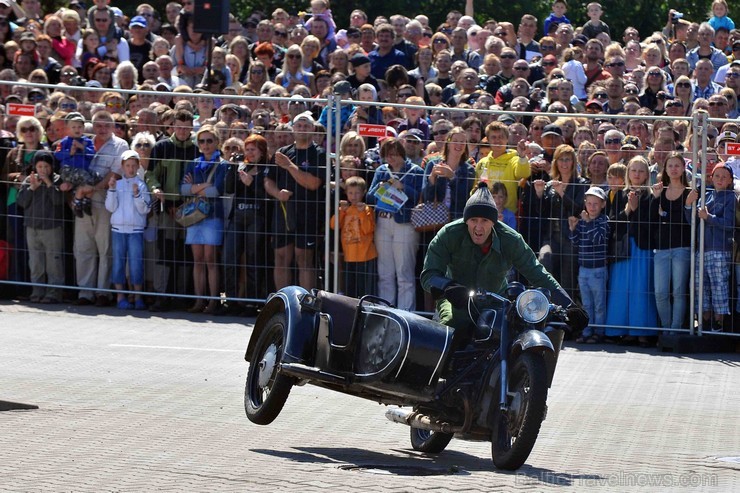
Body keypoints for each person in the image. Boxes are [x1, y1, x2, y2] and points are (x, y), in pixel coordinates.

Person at [421, 181, 588, 340]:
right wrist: (447, 286)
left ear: (494, 222)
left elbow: (537, 273)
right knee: (450, 329)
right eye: (473, 220)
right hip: (455, 302)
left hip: (494, 302)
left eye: (485, 221)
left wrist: (569, 306)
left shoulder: (511, 239)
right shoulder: (448, 234)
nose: (478, 227)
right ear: (466, 221)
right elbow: (428, 275)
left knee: (510, 334)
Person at [366, 137, 423, 311]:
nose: (390, 159)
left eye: (394, 155)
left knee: (404, 272)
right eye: (387, 155)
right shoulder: (381, 171)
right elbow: (369, 197)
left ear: (401, 154)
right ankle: (385, 310)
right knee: (385, 272)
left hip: (404, 224)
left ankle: (406, 313)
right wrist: (381, 188)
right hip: (382, 222)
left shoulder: (415, 171)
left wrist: (402, 187)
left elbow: (419, 198)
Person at [180, 125, 229, 315]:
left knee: (210, 259)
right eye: (202, 141)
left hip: (213, 216)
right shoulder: (193, 163)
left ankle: (214, 301)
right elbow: (183, 190)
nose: (206, 144)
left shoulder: (223, 164)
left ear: (217, 142)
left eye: (209, 140)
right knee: (197, 260)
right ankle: (200, 300)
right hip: (194, 216)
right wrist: (203, 186)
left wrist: (194, 187)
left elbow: (216, 190)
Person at [685, 163, 736, 332]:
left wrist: (709, 217)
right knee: (701, 286)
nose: (720, 179)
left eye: (724, 177)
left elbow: (729, 224)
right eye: (717, 176)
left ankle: (719, 322)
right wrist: (688, 205)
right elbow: (691, 220)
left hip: (719, 249)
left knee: (719, 286)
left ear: (730, 180)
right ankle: (704, 321)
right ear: (711, 178)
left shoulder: (730, 198)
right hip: (702, 248)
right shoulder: (705, 196)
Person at [222, 134, 268, 316]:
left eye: (253, 150)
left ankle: (252, 301)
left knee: (253, 258)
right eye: (247, 149)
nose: (249, 153)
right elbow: (229, 188)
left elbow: (267, 195)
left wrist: (253, 183)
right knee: (229, 256)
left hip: (257, 217)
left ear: (262, 151)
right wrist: (232, 168)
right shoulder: (242, 166)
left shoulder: (267, 168)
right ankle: (231, 301)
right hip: (238, 215)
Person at [649, 152, 692, 332]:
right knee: (660, 293)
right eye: (670, 166)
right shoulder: (661, 191)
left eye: (677, 165)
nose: (674, 169)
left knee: (679, 292)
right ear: (665, 169)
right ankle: (667, 329)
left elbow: (690, 222)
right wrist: (656, 197)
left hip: (682, 247)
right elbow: (651, 220)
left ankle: (675, 330)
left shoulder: (690, 192)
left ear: (683, 168)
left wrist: (688, 205)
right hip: (662, 248)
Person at [15, 151, 65, 304]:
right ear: (35, 167)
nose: (43, 170)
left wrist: (49, 184)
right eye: (40, 166)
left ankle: (54, 292)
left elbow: (58, 201)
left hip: (51, 228)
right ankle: (37, 290)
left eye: (46, 166)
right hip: (32, 227)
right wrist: (32, 188)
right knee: (36, 262)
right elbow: (21, 202)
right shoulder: (30, 181)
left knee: (53, 262)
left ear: (51, 167)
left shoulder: (57, 180)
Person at [105, 149, 150, 310]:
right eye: (127, 165)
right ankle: (120, 296)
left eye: (133, 165)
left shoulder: (142, 185)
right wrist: (111, 190)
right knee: (118, 262)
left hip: (135, 230)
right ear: (122, 167)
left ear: (138, 166)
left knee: (136, 263)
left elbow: (144, 209)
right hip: (118, 229)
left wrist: (137, 195)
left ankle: (138, 296)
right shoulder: (117, 185)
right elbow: (110, 207)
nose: (130, 169)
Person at [568, 186, 609, 343]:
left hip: (598, 269)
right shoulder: (584, 221)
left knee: (599, 304)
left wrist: (588, 222)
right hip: (583, 269)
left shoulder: (602, 221)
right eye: (589, 203)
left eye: (595, 204)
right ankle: (587, 331)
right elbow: (576, 242)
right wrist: (573, 230)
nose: (592, 207)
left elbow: (598, 239)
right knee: (586, 304)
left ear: (602, 205)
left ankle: (599, 332)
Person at [330, 176, 377, 299]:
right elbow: (333, 225)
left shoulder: (367, 210)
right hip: (349, 256)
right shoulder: (346, 210)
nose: (353, 196)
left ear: (363, 193)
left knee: (365, 290)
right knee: (349, 290)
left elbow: (368, 229)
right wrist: (341, 211)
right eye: (350, 193)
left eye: (357, 193)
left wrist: (362, 213)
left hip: (366, 256)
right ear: (346, 193)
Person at [53, 112, 97, 217]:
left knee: (97, 177)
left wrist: (82, 148)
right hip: (69, 170)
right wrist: (70, 152)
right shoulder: (64, 142)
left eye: (79, 127)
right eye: (73, 127)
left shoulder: (87, 141)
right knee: (87, 179)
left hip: (83, 170)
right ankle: (77, 201)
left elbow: (92, 154)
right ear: (67, 129)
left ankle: (86, 200)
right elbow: (57, 155)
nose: (77, 129)